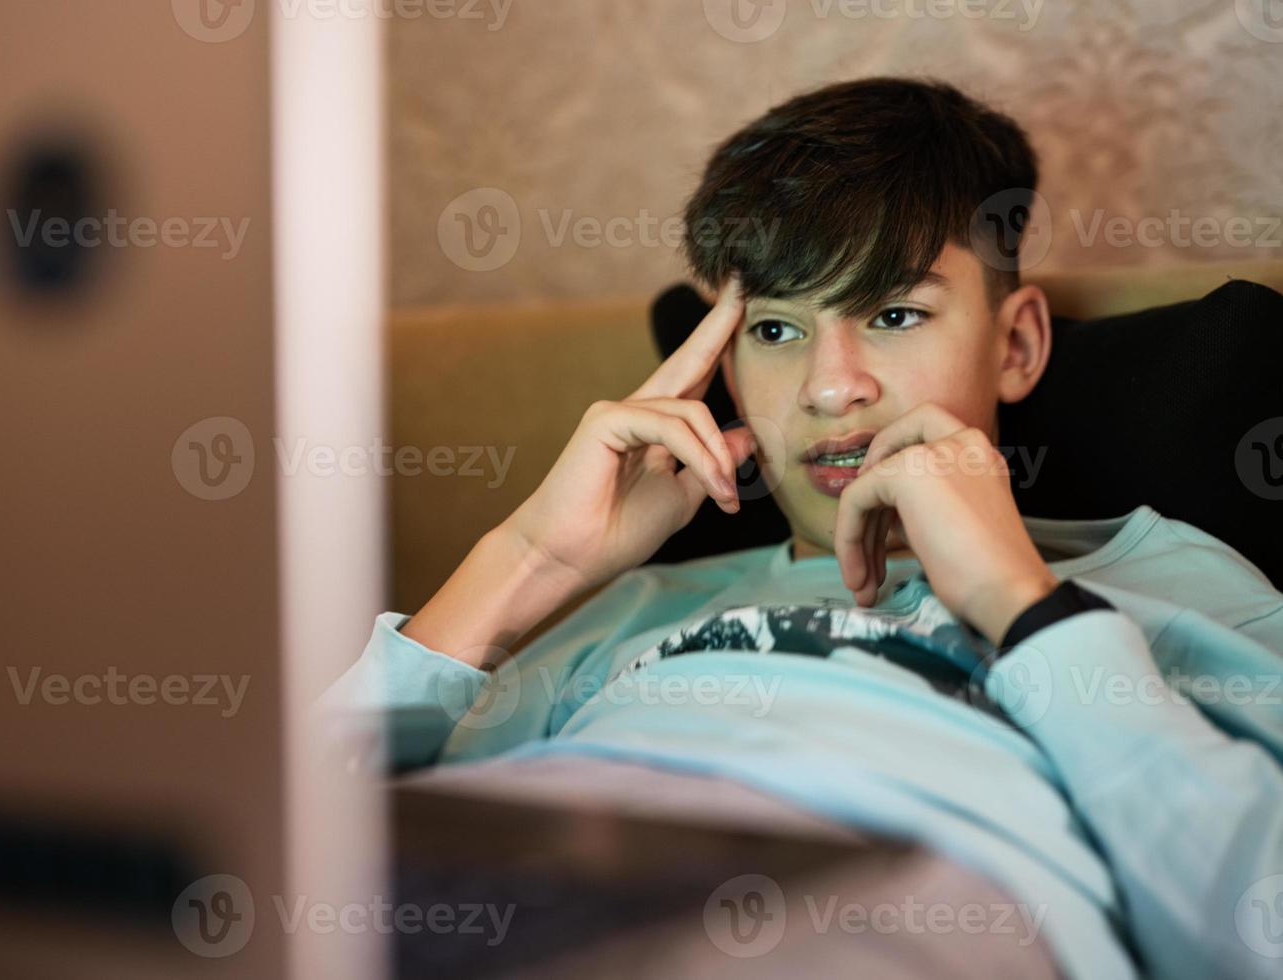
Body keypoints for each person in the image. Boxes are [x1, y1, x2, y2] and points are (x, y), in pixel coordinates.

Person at [326, 77, 1283, 980]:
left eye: (897, 313)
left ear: (1017, 343)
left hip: (881, 894)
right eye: (776, 331)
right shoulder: (634, 608)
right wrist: (527, 561)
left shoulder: (1176, 580)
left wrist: (1019, 604)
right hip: (543, 856)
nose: (830, 387)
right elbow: (288, 829)